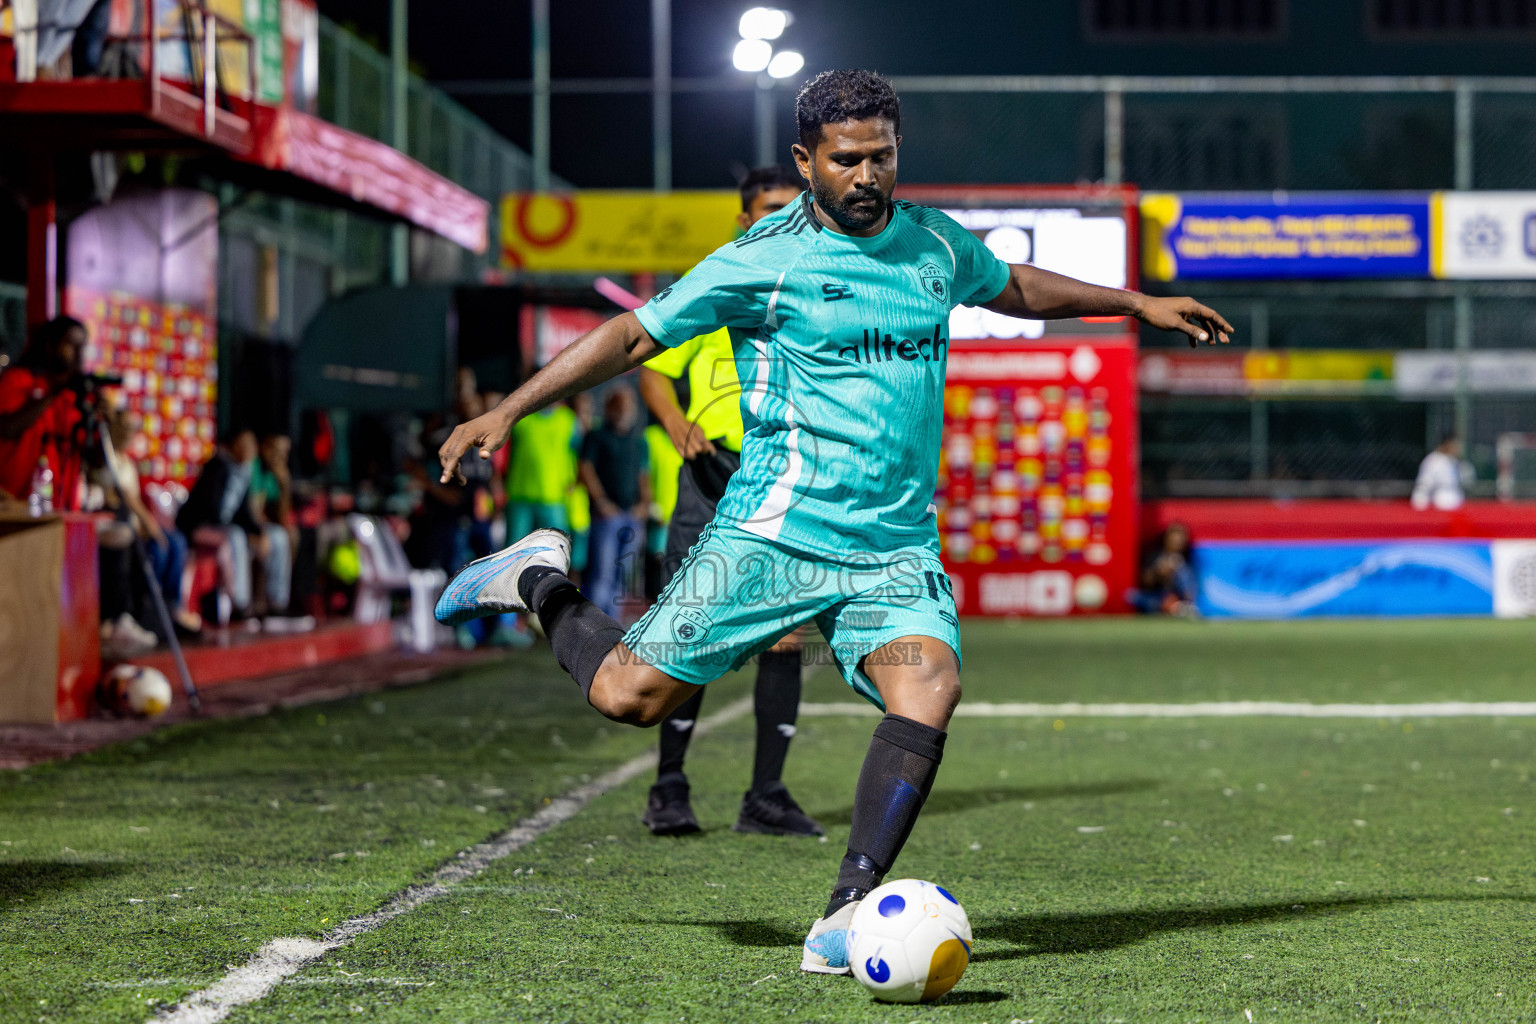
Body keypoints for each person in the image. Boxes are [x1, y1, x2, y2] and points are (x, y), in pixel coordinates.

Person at [432, 68, 1232, 976]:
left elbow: (1010, 285)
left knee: (928, 685)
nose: (866, 176)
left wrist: (1135, 304)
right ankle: (538, 576)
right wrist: (510, 409)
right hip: (771, 539)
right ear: (806, 161)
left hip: (890, 555)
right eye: (846, 160)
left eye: (881, 157)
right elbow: (629, 338)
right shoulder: (762, 260)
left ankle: (845, 912)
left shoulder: (932, 243)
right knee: (628, 697)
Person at [634, 164, 822, 838]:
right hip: (714, 472)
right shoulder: (714, 281)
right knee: (690, 630)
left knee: (786, 636)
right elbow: (655, 370)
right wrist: (676, 422)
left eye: (788, 207)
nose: (778, 217)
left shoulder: (816, 285)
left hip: (786, 475)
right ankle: (669, 788)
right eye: (767, 208)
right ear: (744, 220)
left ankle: (765, 797)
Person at [176, 428, 287, 621]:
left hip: (227, 527)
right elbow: (211, 510)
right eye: (245, 445)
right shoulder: (217, 466)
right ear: (234, 445)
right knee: (236, 536)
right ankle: (240, 604)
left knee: (278, 535)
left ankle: (277, 601)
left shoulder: (244, 471)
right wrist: (247, 532)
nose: (250, 450)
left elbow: (244, 512)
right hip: (200, 527)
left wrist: (259, 532)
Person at [0, 316, 91, 512]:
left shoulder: (74, 398)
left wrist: (103, 420)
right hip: (13, 511)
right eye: (71, 345)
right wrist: (53, 392)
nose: (78, 354)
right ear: (50, 346)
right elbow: (7, 428)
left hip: (60, 514)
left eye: (82, 346)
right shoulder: (18, 380)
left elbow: (93, 460)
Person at [578, 386, 651, 619]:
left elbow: (644, 476)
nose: (625, 411)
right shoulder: (597, 436)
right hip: (607, 516)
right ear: (609, 408)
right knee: (603, 571)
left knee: (623, 572)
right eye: (620, 405)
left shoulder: (638, 441)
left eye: (629, 406)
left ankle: (613, 624)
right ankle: (596, 624)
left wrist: (644, 505)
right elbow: (586, 469)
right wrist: (601, 502)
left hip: (632, 515)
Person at [1127, 521, 1198, 617]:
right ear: (1166, 539)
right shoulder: (1155, 555)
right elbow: (1145, 582)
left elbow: (1190, 590)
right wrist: (1157, 572)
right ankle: (1168, 608)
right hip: (1156, 596)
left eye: (1180, 541)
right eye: (1173, 540)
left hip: (1177, 598)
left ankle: (1175, 607)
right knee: (1131, 596)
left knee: (1183, 572)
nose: (1176, 544)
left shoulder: (1188, 559)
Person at [1411, 434, 1467, 511]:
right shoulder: (1433, 460)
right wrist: (1420, 503)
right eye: (1454, 445)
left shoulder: (1454, 461)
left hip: (1456, 502)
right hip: (1439, 503)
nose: (1457, 448)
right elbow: (1424, 484)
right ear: (1447, 444)